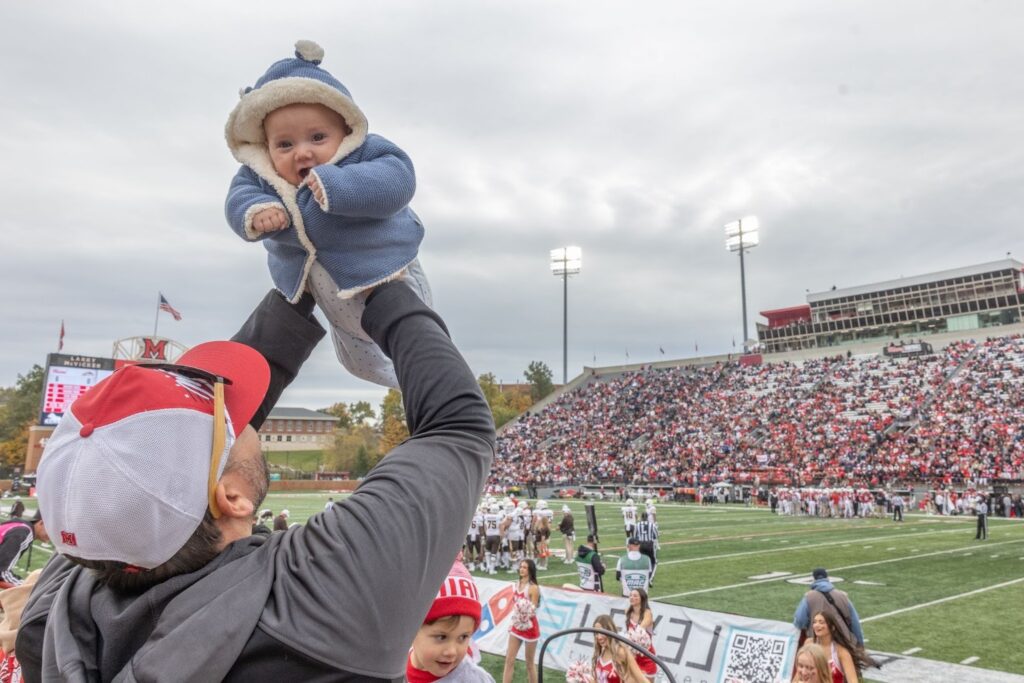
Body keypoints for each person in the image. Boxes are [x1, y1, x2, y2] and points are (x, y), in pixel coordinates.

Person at [17, 281, 495, 681]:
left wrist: (297, 287)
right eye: (228, 423)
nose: (244, 420)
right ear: (233, 498)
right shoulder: (318, 599)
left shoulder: (57, 605)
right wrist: (380, 282)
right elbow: (458, 427)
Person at [224, 40, 433, 389]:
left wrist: (340, 185)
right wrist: (256, 211)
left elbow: (398, 179)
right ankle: (405, 389)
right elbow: (237, 198)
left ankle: (435, 389)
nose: (302, 153)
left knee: (417, 349)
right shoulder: (262, 176)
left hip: (385, 273)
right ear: (266, 148)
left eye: (318, 137)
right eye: (285, 144)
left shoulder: (363, 154)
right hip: (330, 295)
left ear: (345, 131)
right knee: (361, 364)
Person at [407, 561, 494, 682]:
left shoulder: (473, 680)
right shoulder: (393, 665)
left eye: (463, 637)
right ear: (411, 630)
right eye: (442, 637)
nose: (452, 651)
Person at [793, 568, 864, 647]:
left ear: (813, 579)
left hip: (818, 643)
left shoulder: (808, 597)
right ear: (827, 578)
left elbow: (799, 621)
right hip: (842, 641)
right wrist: (860, 644)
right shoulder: (842, 596)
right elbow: (855, 623)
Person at [502, 559, 541, 683]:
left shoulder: (533, 588)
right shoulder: (516, 584)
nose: (521, 569)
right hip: (517, 626)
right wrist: (517, 619)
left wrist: (523, 615)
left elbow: (533, 610)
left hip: (530, 627)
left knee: (529, 663)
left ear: (530, 570)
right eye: (521, 567)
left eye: (524, 567)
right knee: (509, 660)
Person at [589, 614, 647, 683]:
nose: (599, 637)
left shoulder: (620, 652)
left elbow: (641, 679)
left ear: (610, 631)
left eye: (602, 633)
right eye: (596, 633)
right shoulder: (601, 652)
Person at [811, 611, 866, 683]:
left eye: (821, 622)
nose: (816, 625)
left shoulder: (841, 652)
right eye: (814, 622)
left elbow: (853, 681)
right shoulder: (809, 645)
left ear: (832, 627)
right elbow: (798, 677)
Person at [0, 511, 47, 588]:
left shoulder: (19, 526)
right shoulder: (23, 532)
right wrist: (28, 587)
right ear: (41, 523)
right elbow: (2, 572)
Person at [624, 588, 657, 682]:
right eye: (630, 595)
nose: (632, 597)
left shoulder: (647, 613)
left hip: (647, 656)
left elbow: (639, 630)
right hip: (633, 657)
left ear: (642, 598)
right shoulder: (627, 612)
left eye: (635, 596)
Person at [633, 512, 659, 585]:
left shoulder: (637, 525)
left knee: (641, 561)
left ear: (641, 517)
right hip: (649, 544)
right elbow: (656, 535)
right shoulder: (652, 525)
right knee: (654, 562)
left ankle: (640, 577)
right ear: (647, 517)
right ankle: (650, 579)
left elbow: (635, 536)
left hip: (641, 545)